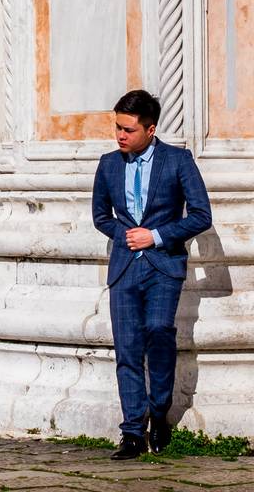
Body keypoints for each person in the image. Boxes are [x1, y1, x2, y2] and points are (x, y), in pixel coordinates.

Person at [91, 90, 212, 460]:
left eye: (128, 129)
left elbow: (201, 215)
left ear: (150, 128)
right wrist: (125, 236)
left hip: (164, 266)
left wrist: (156, 236)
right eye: (117, 127)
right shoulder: (109, 164)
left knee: (159, 332)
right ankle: (131, 433)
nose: (120, 135)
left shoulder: (178, 160)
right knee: (127, 349)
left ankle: (158, 414)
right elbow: (100, 216)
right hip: (125, 268)